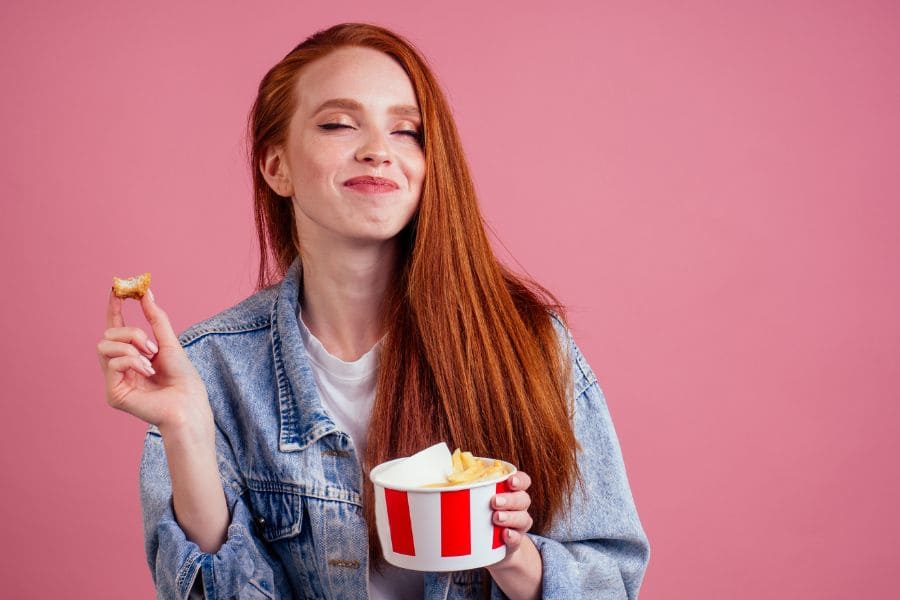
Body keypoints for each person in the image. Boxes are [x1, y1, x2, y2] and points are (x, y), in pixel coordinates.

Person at [97, 22, 649, 600]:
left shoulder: (527, 344)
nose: (378, 151)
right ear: (275, 166)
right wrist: (186, 429)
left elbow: (612, 579)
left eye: (406, 131)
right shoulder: (208, 370)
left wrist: (513, 554)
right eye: (338, 123)